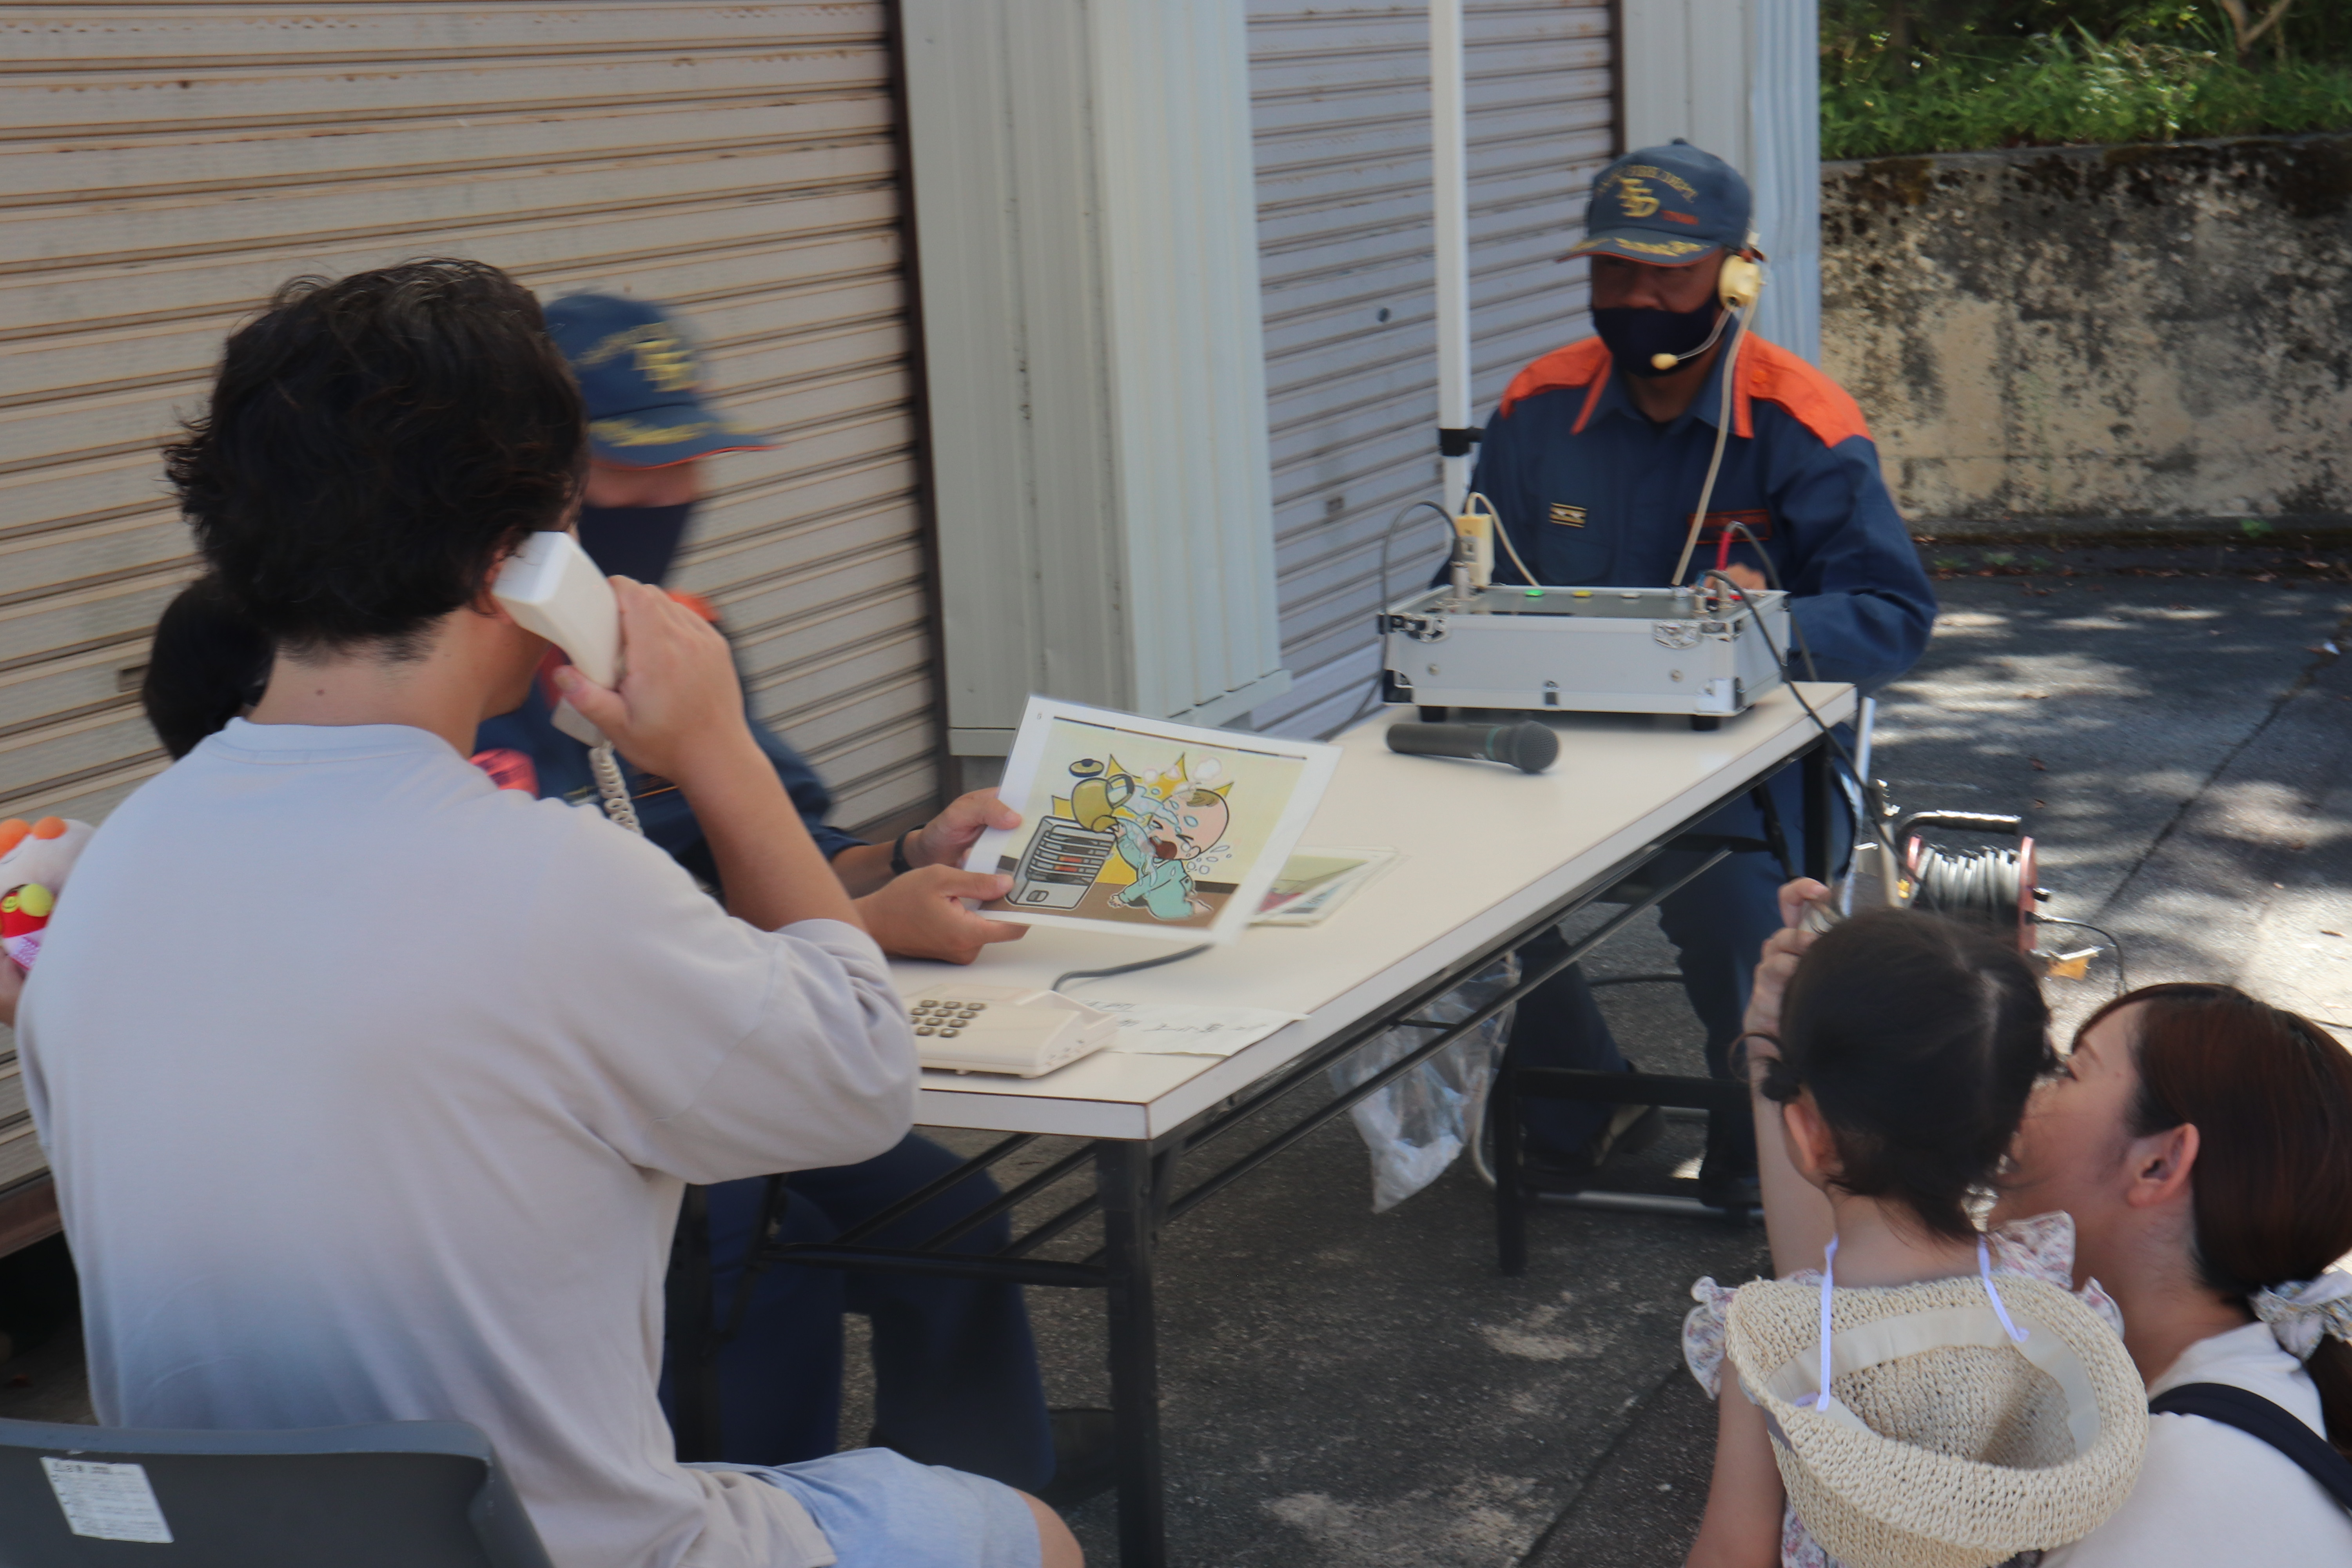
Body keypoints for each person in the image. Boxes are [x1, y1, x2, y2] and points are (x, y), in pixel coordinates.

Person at [18, 259, 1080, 1568]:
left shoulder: (111, 870)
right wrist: (718, 748)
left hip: (223, 1544)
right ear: (511, 566)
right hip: (546, 1549)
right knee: (1023, 1532)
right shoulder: (552, 876)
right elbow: (859, 1083)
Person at [489, 291, 1100, 1501]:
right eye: (637, 468)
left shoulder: (678, 642)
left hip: (741, 1036)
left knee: (945, 1210)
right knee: (775, 1244)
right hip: (604, 1097)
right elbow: (577, 951)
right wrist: (861, 928)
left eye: (691, 463)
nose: (675, 497)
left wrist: (909, 853)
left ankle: (975, 1490)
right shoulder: (480, 685)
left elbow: (780, 841)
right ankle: (772, 1511)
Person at [1469, 142, 1936, 1206]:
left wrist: (1761, 627)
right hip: (1568, 747)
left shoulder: (1799, 420)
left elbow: (1894, 616)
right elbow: (1478, 593)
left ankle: (1761, 1128)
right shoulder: (1537, 408)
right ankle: (1582, 1100)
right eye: (1613, 271)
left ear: (1734, 277)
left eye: (1666, 275)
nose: (1635, 298)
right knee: (1454, 881)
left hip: (1753, 768)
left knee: (1734, 902)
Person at [1746, 889, 2352, 1563]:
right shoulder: (2099, 1335)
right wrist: (1789, 1060)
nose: (2021, 1097)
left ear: (2157, 1166)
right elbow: (1842, 1312)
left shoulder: (2169, 1494)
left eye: (2065, 1071)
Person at [1681, 907, 2144, 1567]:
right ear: (2011, 1127)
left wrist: (1766, 1051)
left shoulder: (1776, 1347)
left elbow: (1733, 1552)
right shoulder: (2050, 1301)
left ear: (1808, 1135)